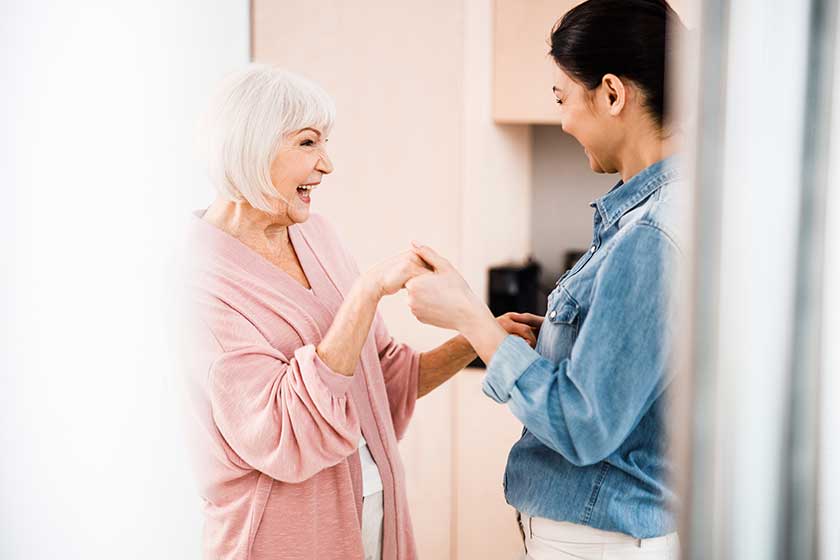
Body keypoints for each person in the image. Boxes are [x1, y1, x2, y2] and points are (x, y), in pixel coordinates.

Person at [181, 65, 540, 560]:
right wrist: (367, 291)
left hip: (371, 517)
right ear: (253, 146)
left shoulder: (316, 234)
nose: (327, 164)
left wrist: (481, 337)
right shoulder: (203, 281)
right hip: (280, 539)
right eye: (308, 144)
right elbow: (285, 430)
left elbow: (381, 383)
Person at [404, 1, 687, 558]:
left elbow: (584, 426)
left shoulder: (651, 233)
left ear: (611, 94)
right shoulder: (657, 212)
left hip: (597, 540)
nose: (562, 120)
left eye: (563, 98)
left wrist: (471, 318)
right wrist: (554, 341)